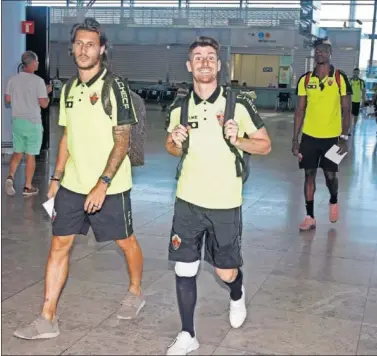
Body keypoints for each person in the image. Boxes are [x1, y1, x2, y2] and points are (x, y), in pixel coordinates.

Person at [13, 18, 145, 340]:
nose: (84, 49)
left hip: (110, 185)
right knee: (59, 245)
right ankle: (47, 318)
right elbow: (67, 136)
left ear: (102, 49)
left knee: (125, 241)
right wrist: (57, 177)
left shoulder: (115, 87)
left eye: (91, 44)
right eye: (79, 43)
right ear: (73, 48)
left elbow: (123, 140)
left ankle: (136, 291)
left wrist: (103, 183)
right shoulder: (69, 89)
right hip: (73, 184)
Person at [165, 36, 271, 355]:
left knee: (225, 271)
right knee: (185, 268)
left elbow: (264, 145)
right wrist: (175, 140)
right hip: (188, 200)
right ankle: (188, 334)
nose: (205, 62)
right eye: (198, 57)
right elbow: (171, 148)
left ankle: (236, 293)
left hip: (225, 203)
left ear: (219, 64)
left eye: (211, 57)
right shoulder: (180, 107)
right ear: (189, 65)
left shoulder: (238, 103)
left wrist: (238, 139)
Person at [292, 38, 352, 231]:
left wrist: (344, 137)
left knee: (330, 176)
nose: (320, 54)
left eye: (324, 51)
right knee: (308, 175)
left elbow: (346, 109)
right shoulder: (306, 79)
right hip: (309, 137)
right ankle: (310, 216)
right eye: (317, 51)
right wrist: (296, 138)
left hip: (334, 138)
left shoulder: (340, 79)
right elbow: (300, 110)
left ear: (330, 54)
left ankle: (334, 200)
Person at [4, 51, 52, 196]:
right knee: (31, 155)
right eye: (36, 61)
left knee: (18, 152)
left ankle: (10, 176)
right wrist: (47, 93)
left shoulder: (13, 79)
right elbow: (44, 104)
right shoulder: (38, 81)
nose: (38, 63)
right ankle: (27, 187)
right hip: (33, 123)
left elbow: (7, 100)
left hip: (17, 121)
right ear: (31, 63)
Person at [349, 67, 365, 133]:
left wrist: (363, 100)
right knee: (350, 115)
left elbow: (363, 91)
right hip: (350, 101)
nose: (356, 74)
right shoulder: (350, 81)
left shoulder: (361, 82)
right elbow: (347, 91)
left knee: (355, 115)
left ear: (359, 73)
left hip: (357, 101)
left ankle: (354, 126)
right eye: (355, 72)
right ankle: (349, 127)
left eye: (357, 73)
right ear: (353, 73)